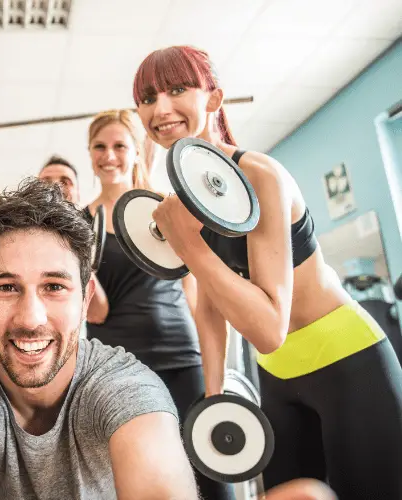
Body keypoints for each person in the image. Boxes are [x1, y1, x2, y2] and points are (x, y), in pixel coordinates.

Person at [133, 45, 402, 499]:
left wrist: (188, 246)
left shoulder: (258, 174)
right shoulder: (179, 205)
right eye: (146, 98)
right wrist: (214, 393)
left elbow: (269, 327)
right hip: (275, 377)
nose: (160, 108)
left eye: (177, 89)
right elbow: (209, 307)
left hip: (347, 359)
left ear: (213, 99)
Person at [0, 178, 199, 500]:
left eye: (54, 287)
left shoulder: (126, 386)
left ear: (84, 300)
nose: (31, 319)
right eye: (6, 287)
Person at [81, 110, 232, 500]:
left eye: (119, 146)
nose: (109, 155)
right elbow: (93, 310)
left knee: (211, 467)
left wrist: (216, 373)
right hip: (118, 366)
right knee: (145, 477)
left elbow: (196, 294)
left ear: (136, 152)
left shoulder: (166, 209)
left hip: (182, 357)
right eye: (100, 146)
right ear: (89, 152)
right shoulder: (79, 223)